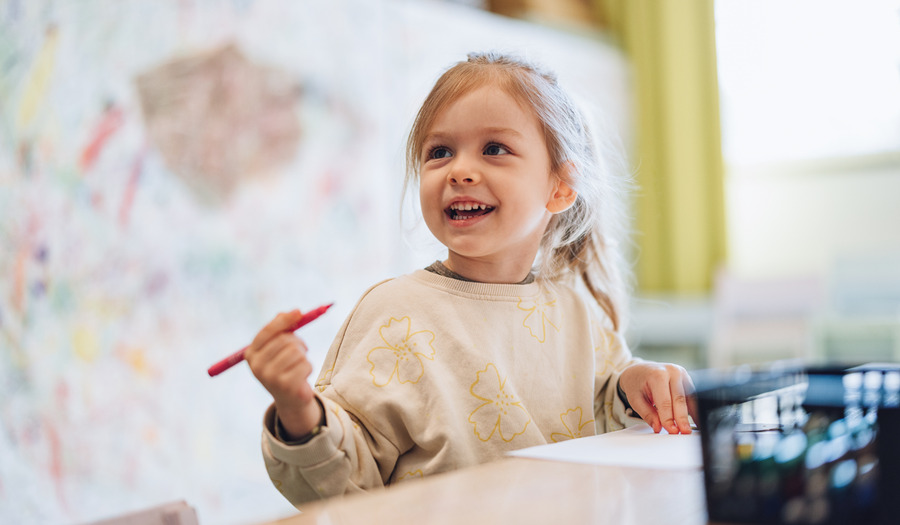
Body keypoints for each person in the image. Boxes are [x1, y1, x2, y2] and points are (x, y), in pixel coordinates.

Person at [245, 52, 697, 508]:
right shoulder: (393, 314)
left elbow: (607, 406)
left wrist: (636, 382)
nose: (459, 170)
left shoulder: (575, 312)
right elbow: (339, 482)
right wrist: (299, 410)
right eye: (439, 152)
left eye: (494, 149)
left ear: (560, 187)